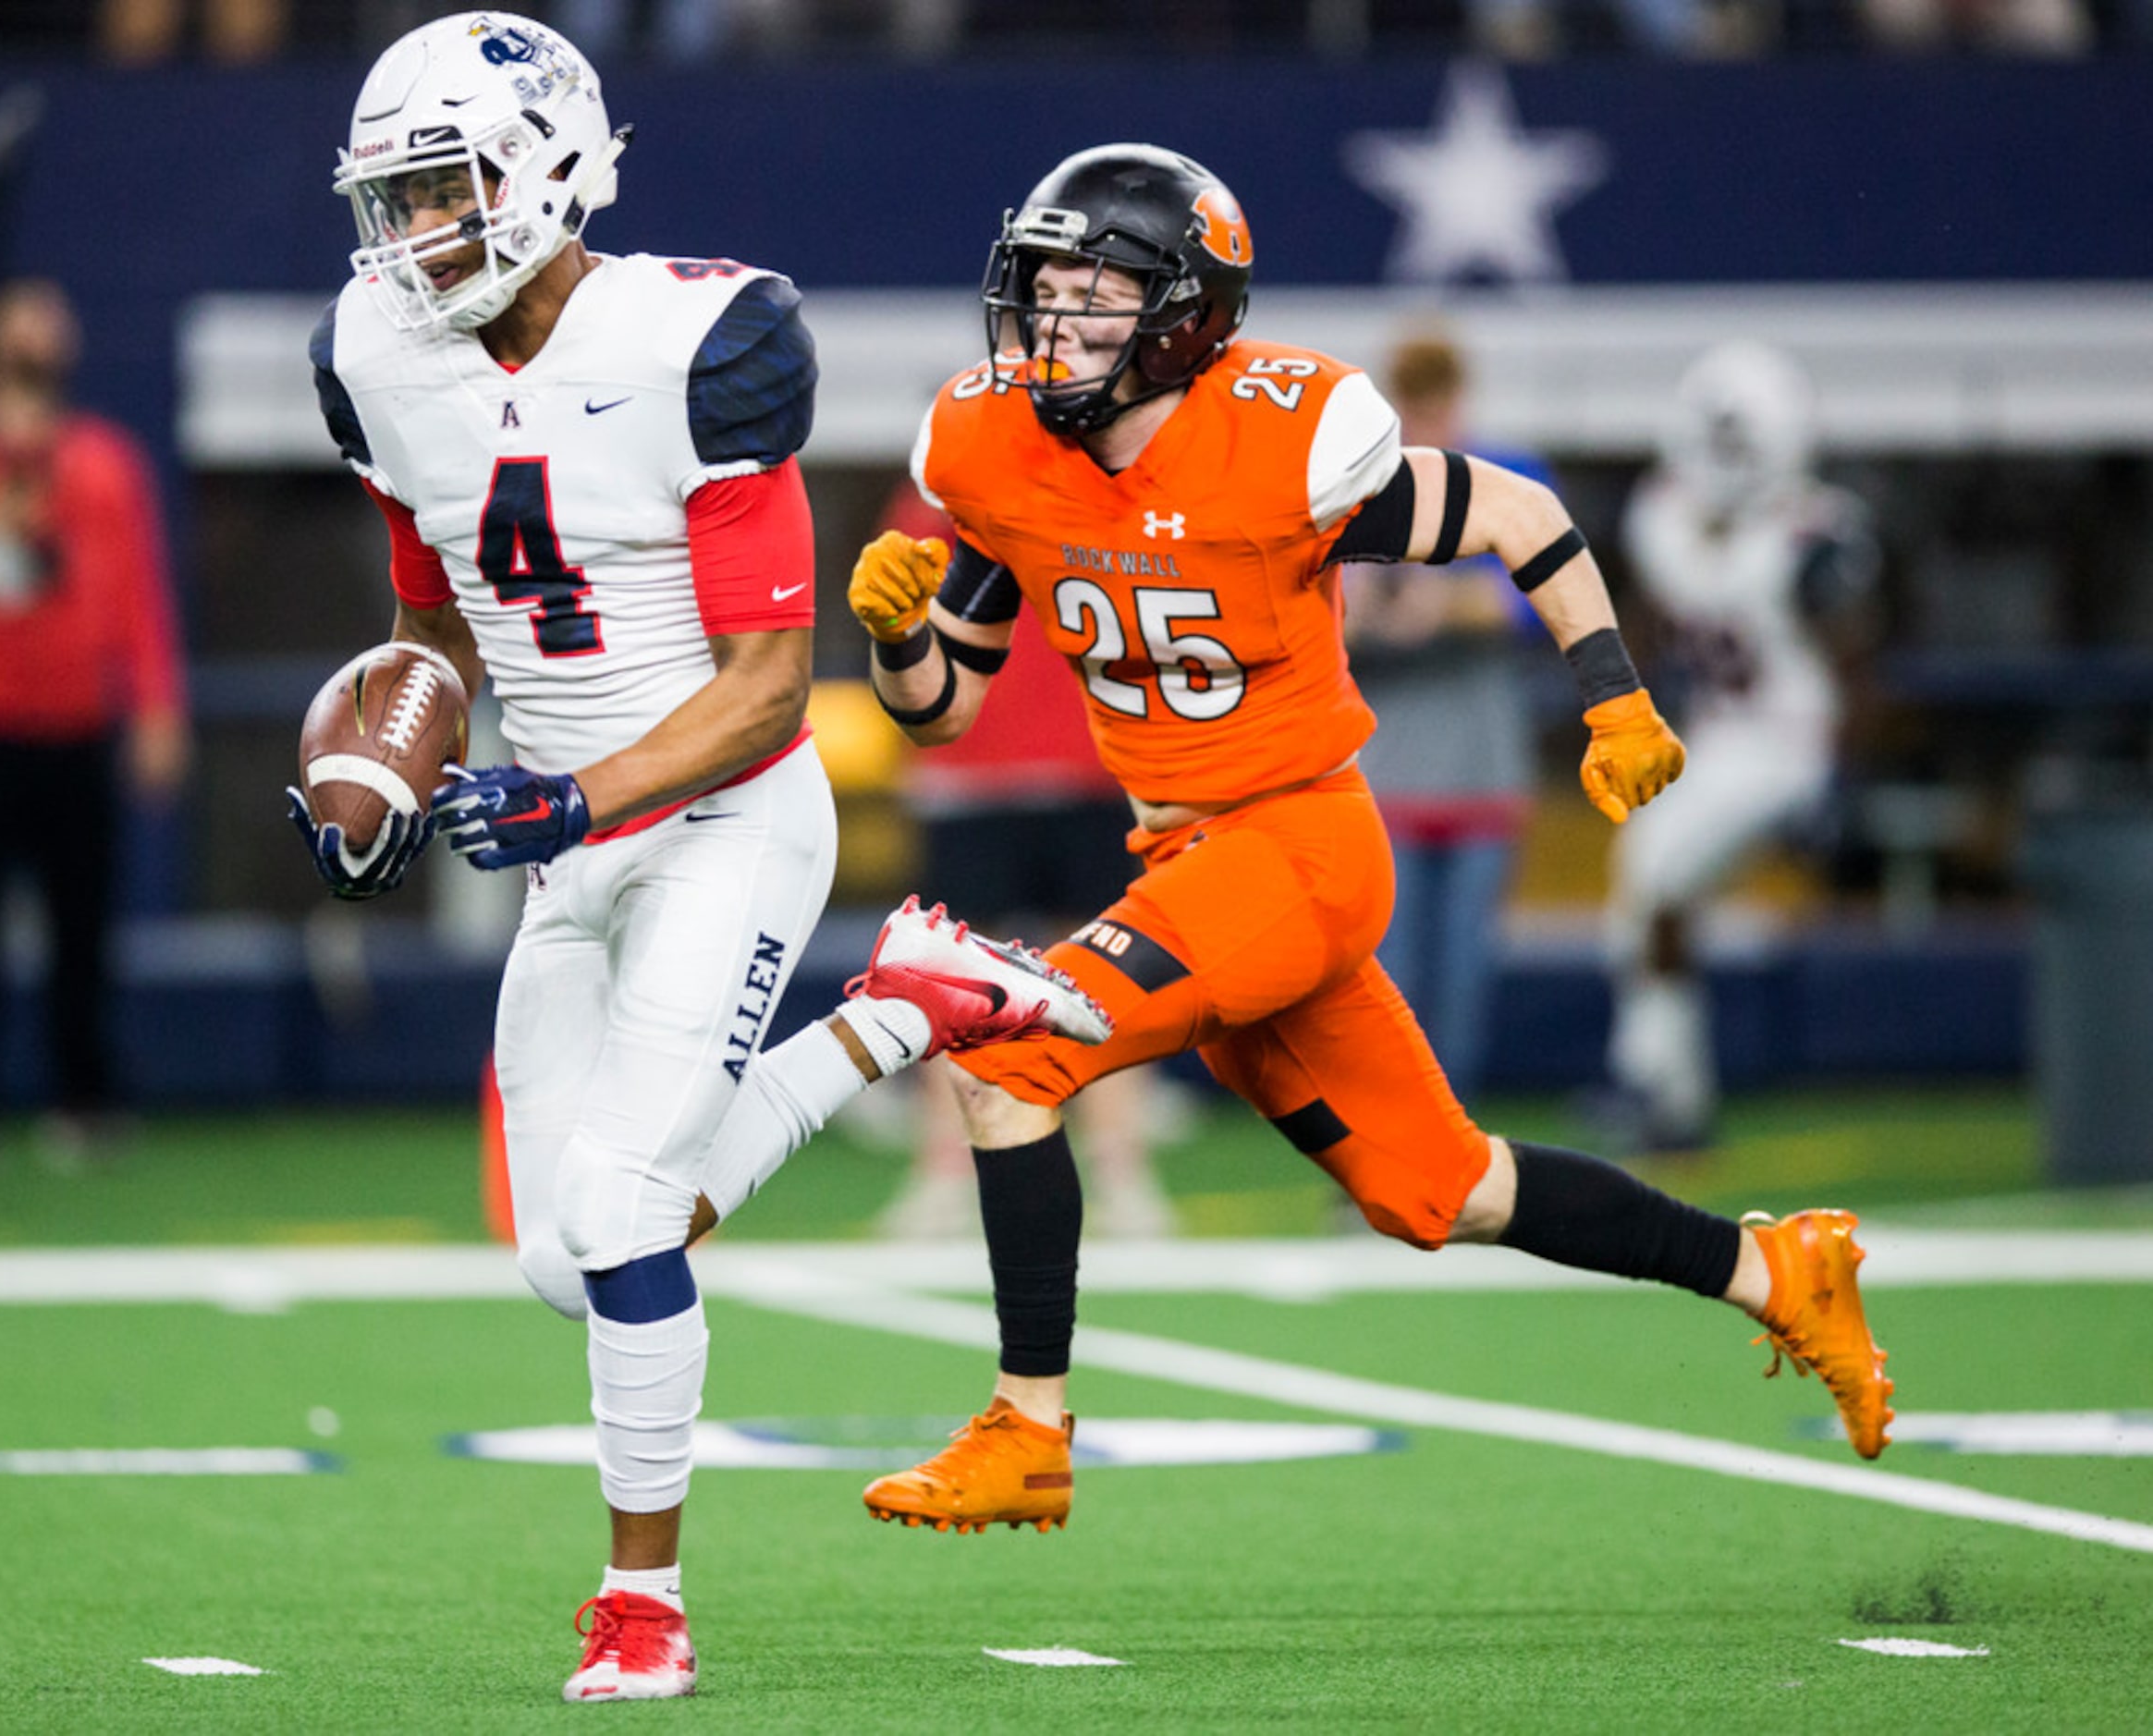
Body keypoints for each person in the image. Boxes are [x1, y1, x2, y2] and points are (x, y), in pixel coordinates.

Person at [844, 143, 1896, 1537]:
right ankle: (1774, 1273)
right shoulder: (1002, 449)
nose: (1054, 322)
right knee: (1440, 1188)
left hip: (1294, 845)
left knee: (1013, 1047)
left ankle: (1025, 1426)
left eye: (1095, 293)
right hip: (1186, 861)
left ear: (1183, 315)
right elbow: (941, 710)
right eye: (1043, 287)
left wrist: (1614, 698)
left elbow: (1522, 514)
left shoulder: (1282, 434)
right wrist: (894, 633)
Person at [287, 13, 1107, 1703]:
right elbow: (429, 617)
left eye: (446, 187)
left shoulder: (698, 341)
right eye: (396, 195)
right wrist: (392, 751)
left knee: (614, 1208)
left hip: (725, 810)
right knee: (556, 1254)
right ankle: (904, 1011)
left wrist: (576, 799)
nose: (414, 230)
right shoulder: (376, 346)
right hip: (564, 830)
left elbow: (758, 694)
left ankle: (640, 1604)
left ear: (551, 170)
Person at [0, 277, 190, 1168]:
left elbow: (139, 597)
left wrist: (157, 707)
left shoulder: (102, 462)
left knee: (82, 925)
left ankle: (83, 1098)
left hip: (78, 724)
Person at [871, 478, 1173, 1242]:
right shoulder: (932, 508)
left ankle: (1122, 1172)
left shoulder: (1102, 494)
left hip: (1088, 767)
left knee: (1110, 986)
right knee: (951, 992)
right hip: (970, 778)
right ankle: (943, 1175)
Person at [1599, 340, 1878, 1154]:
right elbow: (1647, 629)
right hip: (1716, 739)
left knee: (1651, 880)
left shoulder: (1814, 537)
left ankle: (1656, 1079)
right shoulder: (1662, 516)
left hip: (1790, 747)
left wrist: (1841, 778)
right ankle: (1663, 1084)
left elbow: (1859, 667)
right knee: (1647, 890)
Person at [1343, 330, 1551, 1103]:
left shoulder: (1506, 476)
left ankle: (1445, 1146)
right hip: (1385, 773)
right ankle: (1381, 1141)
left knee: (1461, 980)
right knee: (1383, 981)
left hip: (1479, 769)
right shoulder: (1359, 484)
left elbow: (1539, 600)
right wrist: (1378, 610)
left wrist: (1439, 604)